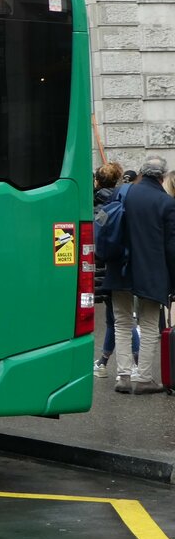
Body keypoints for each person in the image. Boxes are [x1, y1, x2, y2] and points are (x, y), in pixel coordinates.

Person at [101, 154, 175, 394]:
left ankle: (122, 376)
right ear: (162, 177)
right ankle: (144, 378)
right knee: (150, 324)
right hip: (151, 273)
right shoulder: (166, 203)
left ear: (141, 173)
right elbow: (171, 247)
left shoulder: (121, 193)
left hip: (119, 268)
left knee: (122, 323)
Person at [92, 161, 124, 377]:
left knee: (118, 320)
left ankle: (105, 363)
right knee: (120, 319)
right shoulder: (123, 203)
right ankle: (104, 361)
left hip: (97, 271)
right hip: (117, 267)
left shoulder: (92, 204)